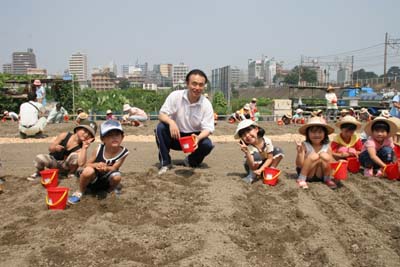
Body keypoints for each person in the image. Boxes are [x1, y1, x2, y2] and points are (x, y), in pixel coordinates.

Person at [155, 69, 214, 175]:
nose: (197, 88)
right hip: (175, 136)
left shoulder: (206, 104)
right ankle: (165, 163)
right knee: (160, 128)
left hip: (193, 139)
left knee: (207, 144)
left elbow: (208, 128)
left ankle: (191, 160)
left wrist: (198, 138)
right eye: (194, 84)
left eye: (201, 85)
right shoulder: (175, 96)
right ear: (187, 83)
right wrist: (171, 122)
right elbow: (161, 114)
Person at [68, 120, 129, 204]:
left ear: (122, 137)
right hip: (94, 178)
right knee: (88, 170)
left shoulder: (124, 152)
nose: (114, 138)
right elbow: (86, 164)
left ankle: (109, 190)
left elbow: (114, 167)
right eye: (110, 135)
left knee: (117, 177)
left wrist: (106, 168)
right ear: (103, 139)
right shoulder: (99, 149)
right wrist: (96, 165)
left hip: (107, 179)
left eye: (117, 135)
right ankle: (80, 191)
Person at [27, 120, 97, 181]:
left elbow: (81, 164)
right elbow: (50, 149)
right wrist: (55, 148)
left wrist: (84, 148)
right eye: (85, 131)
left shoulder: (81, 147)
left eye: (89, 134)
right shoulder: (64, 135)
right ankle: (40, 172)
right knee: (40, 158)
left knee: (75, 156)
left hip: (65, 167)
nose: (86, 134)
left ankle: (70, 173)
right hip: (54, 162)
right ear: (78, 129)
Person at [295, 116, 337, 190]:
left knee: (325, 156)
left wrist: (339, 163)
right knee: (314, 156)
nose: (317, 135)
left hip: (321, 174)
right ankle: (301, 179)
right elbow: (300, 165)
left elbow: (331, 163)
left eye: (320, 132)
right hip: (308, 174)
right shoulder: (305, 145)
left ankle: (327, 179)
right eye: (313, 132)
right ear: (307, 134)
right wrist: (300, 153)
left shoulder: (327, 146)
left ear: (325, 134)